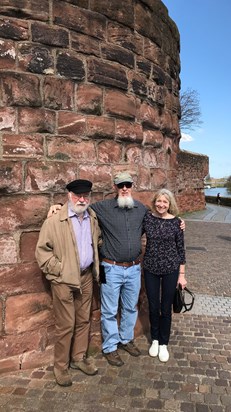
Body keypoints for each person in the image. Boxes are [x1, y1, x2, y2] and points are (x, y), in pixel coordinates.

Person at [47, 172, 186, 368]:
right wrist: (59, 206)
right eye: (121, 185)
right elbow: (80, 205)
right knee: (110, 310)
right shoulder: (102, 208)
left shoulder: (141, 209)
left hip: (134, 268)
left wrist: (179, 221)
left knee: (130, 307)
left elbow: (160, 220)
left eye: (128, 184)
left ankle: (126, 339)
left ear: (132, 186)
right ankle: (110, 346)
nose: (124, 188)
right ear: (115, 186)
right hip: (111, 268)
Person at [35, 179, 102, 387]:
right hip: (64, 280)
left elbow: (96, 241)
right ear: (69, 196)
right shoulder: (55, 221)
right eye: (77, 196)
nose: (82, 199)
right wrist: (60, 271)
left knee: (83, 321)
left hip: (86, 276)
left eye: (85, 196)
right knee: (65, 325)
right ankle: (60, 366)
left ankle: (78, 358)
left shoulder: (91, 217)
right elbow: (42, 252)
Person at [142, 188, 187, 363]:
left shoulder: (177, 223)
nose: (162, 204)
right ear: (154, 202)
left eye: (165, 202)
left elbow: (181, 250)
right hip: (151, 268)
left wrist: (181, 275)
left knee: (165, 307)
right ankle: (154, 339)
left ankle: (163, 343)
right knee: (153, 306)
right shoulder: (148, 218)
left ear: (170, 204)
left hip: (171, 268)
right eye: (159, 201)